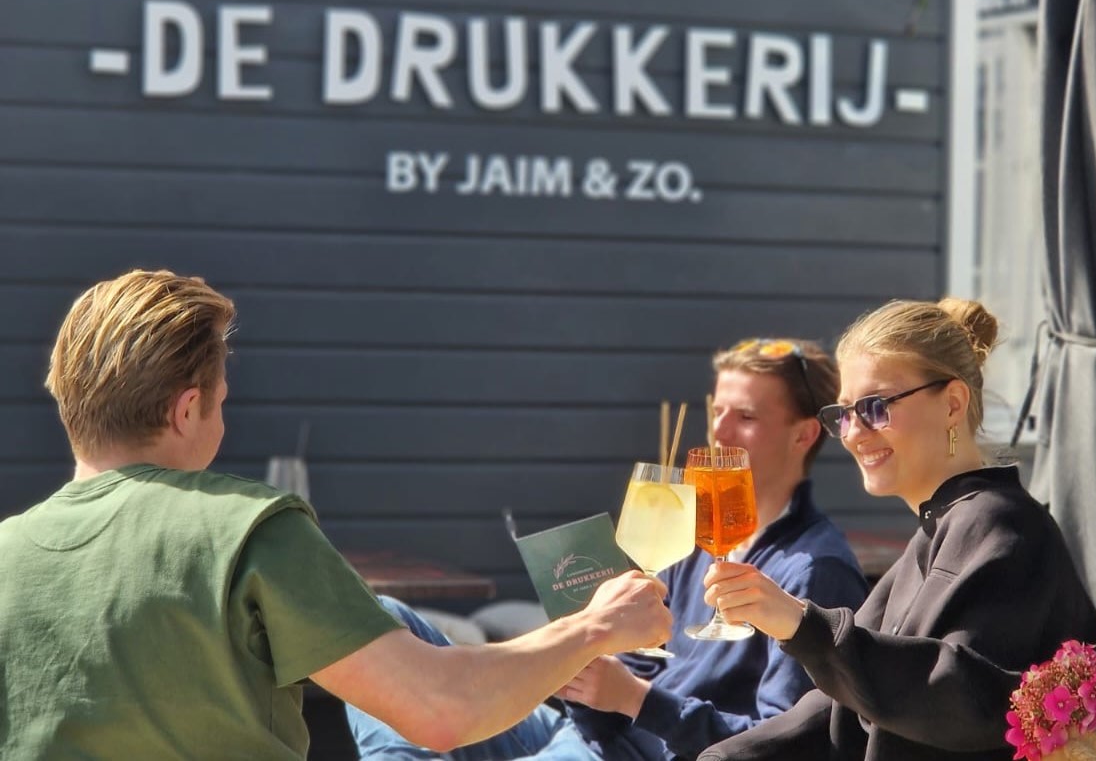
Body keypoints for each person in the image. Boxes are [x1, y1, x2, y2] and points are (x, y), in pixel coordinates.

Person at [0, 269, 671, 760]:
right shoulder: (247, 530)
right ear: (186, 409)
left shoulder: (9, 552)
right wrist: (595, 626)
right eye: (221, 402)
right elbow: (440, 709)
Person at [348, 336, 870, 760]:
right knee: (378, 620)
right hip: (586, 734)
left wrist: (637, 700)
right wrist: (585, 666)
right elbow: (636, 677)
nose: (718, 430)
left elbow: (787, 745)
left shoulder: (813, 571)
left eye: (746, 417)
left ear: (803, 436)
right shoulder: (693, 535)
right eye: (717, 410)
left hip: (636, 752)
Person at [695, 299, 1096, 761]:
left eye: (875, 407)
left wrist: (800, 623)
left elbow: (959, 700)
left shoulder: (1005, 529)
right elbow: (842, 709)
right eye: (843, 414)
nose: (853, 433)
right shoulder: (942, 531)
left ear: (952, 404)